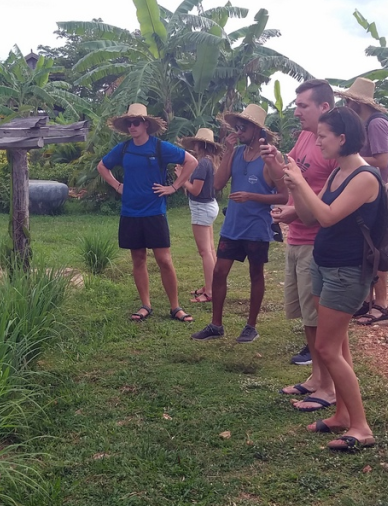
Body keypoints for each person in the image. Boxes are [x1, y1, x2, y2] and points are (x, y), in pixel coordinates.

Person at [264, 106, 381, 450]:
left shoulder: (365, 177)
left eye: (323, 137)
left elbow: (328, 217)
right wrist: (295, 186)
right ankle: (342, 415)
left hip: (347, 272)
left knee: (327, 348)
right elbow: (308, 216)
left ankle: (361, 427)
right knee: (338, 346)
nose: (317, 143)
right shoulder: (337, 172)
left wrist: (301, 183)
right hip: (324, 264)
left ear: (342, 138)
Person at [262, 80, 340, 411]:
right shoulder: (306, 136)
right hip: (296, 237)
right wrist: (272, 160)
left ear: (324, 107)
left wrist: (294, 212)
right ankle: (316, 378)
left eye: (302, 105)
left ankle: (329, 387)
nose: (296, 112)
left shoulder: (333, 144)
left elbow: (333, 192)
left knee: (321, 319)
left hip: (316, 240)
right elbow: (286, 177)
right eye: (296, 105)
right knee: (307, 317)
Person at [191, 105, 285, 343]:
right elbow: (217, 184)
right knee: (219, 271)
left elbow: (284, 196)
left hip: (256, 227)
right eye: (237, 127)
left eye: (243, 127)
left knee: (256, 273)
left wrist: (251, 196)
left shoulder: (270, 156)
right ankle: (216, 325)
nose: (238, 131)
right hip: (233, 225)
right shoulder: (238, 153)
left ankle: (251, 326)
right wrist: (229, 151)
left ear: (257, 129)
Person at [98, 103, 199, 323]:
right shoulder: (124, 149)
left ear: (145, 124)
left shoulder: (159, 147)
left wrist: (174, 187)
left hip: (154, 212)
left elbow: (191, 161)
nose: (132, 126)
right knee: (138, 259)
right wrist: (117, 185)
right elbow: (102, 166)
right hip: (130, 212)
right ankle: (146, 305)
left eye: (136, 122)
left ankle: (175, 307)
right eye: (129, 123)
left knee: (164, 260)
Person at [335, 77, 388, 325]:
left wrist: (350, 158)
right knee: (368, 247)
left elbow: (382, 160)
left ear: (356, 103)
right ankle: (368, 301)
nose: (347, 106)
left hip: (380, 194)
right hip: (374, 191)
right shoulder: (372, 123)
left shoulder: (376, 125)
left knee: (377, 248)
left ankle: (381, 304)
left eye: (348, 102)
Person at [178, 127, 223, 303]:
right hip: (209, 206)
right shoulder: (210, 162)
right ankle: (212, 285)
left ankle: (210, 291)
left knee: (205, 252)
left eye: (196, 143)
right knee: (210, 250)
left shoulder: (203, 163)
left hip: (201, 208)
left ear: (200, 145)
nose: (194, 146)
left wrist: (182, 178)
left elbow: (195, 190)